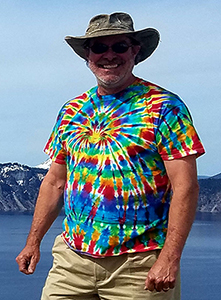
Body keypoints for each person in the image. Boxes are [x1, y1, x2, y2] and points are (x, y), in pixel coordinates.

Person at [16, 12, 205, 300]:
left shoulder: (164, 107)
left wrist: (170, 257)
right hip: (71, 262)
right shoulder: (72, 110)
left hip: (139, 265)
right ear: (87, 55)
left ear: (135, 51)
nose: (109, 55)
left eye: (119, 47)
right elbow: (54, 182)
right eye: (99, 47)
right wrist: (32, 243)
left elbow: (186, 186)